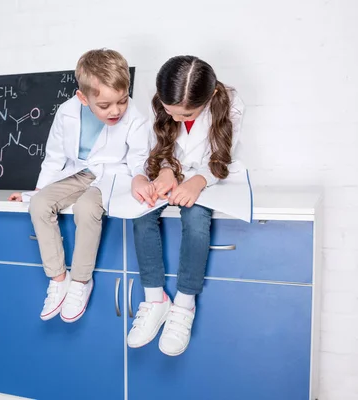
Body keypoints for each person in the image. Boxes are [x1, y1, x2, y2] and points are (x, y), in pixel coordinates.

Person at [9, 49, 152, 323]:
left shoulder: (135, 115)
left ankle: (80, 282)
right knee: (39, 205)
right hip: (79, 173)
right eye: (106, 106)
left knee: (86, 208)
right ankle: (58, 279)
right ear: (83, 98)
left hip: (115, 176)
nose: (116, 111)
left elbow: (138, 158)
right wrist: (39, 191)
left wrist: (139, 177)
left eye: (122, 101)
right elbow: (55, 157)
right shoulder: (66, 112)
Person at [127, 55, 245, 355]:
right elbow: (160, 146)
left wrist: (198, 182)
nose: (178, 119)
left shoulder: (230, 104)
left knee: (195, 219)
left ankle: (183, 304)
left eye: (188, 113)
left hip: (211, 179)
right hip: (173, 176)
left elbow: (223, 157)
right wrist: (167, 170)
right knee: (142, 213)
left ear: (207, 99)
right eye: (171, 112)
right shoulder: (159, 102)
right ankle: (155, 299)